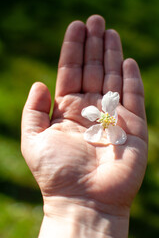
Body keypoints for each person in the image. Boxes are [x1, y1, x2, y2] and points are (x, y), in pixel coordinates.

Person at [21, 15, 148, 237]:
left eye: (108, 119)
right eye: (105, 119)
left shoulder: (112, 122)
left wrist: (71, 207)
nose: (107, 120)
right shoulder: (99, 121)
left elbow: (115, 131)